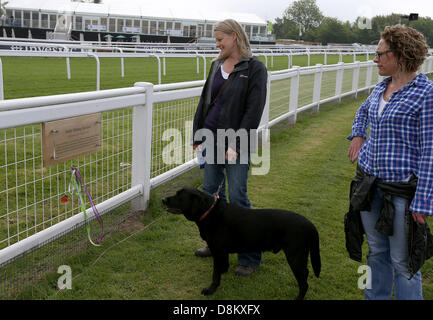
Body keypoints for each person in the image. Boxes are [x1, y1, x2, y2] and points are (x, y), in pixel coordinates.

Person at [347, 24, 433, 300]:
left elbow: (431, 151)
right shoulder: (381, 87)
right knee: (377, 253)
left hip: (402, 194)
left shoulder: (426, 94)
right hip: (370, 185)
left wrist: (423, 200)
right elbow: (363, 110)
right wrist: (359, 133)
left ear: (401, 55)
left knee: (403, 262)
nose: (375, 59)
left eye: (380, 54)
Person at [192, 19, 268, 276]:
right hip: (211, 139)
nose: (217, 44)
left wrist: (236, 144)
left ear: (234, 37)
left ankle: (249, 257)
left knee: (237, 198)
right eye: (216, 40)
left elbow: (253, 111)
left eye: (220, 39)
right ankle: (217, 246)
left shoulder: (255, 68)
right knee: (212, 196)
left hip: (238, 141)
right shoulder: (215, 65)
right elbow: (204, 102)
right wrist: (197, 134)